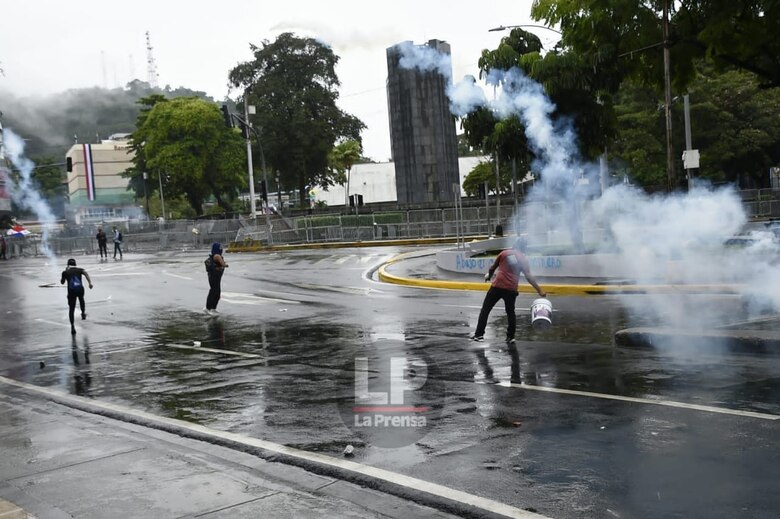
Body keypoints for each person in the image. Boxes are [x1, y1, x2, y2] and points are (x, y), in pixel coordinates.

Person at [471, 237, 546, 344]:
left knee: (485, 310)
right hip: (511, 289)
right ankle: (510, 337)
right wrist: (539, 290)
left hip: (497, 286)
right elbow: (529, 276)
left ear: (514, 244)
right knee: (510, 313)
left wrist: (489, 276)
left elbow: (492, 268)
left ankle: (479, 335)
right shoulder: (523, 259)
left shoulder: (504, 253)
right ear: (524, 248)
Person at [60, 258, 93, 335]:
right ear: (75, 264)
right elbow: (85, 273)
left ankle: (72, 326)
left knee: (71, 308)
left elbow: (62, 282)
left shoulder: (65, 272)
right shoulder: (80, 270)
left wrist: (65, 273)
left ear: (68, 265)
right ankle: (83, 313)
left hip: (71, 291)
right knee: (81, 299)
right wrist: (90, 283)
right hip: (80, 289)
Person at [204, 242, 228, 315]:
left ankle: (211, 308)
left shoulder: (213, 256)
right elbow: (223, 264)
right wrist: (224, 265)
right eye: (220, 248)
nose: (221, 249)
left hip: (213, 277)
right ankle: (210, 308)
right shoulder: (217, 256)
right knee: (215, 292)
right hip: (215, 277)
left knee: (214, 292)